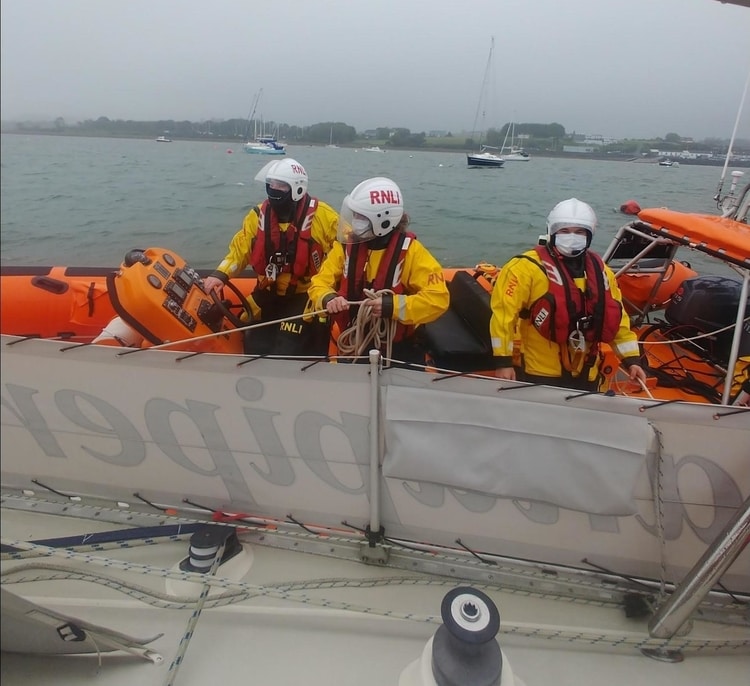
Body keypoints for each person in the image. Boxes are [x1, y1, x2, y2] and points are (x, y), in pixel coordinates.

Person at [490, 198, 647, 392]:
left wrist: (632, 360)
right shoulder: (524, 268)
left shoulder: (602, 273)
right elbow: (503, 317)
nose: (572, 236)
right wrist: (503, 363)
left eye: (580, 232)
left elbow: (618, 319)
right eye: (564, 231)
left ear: (589, 235)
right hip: (539, 372)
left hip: (588, 372)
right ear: (552, 232)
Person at [202, 158, 339, 355]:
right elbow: (239, 251)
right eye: (271, 184)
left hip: (304, 295)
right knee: (254, 344)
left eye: (281, 186)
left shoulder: (324, 216)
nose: (274, 189)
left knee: (289, 346)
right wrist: (221, 274)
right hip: (267, 291)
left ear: (297, 189)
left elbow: (344, 253)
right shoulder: (257, 216)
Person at [308, 177, 449, 364]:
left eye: (361, 217)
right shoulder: (344, 248)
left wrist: (393, 306)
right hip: (353, 342)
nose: (355, 221)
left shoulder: (412, 252)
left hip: (398, 349)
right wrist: (328, 298)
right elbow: (319, 282)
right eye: (355, 215)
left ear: (383, 220)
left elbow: (438, 299)